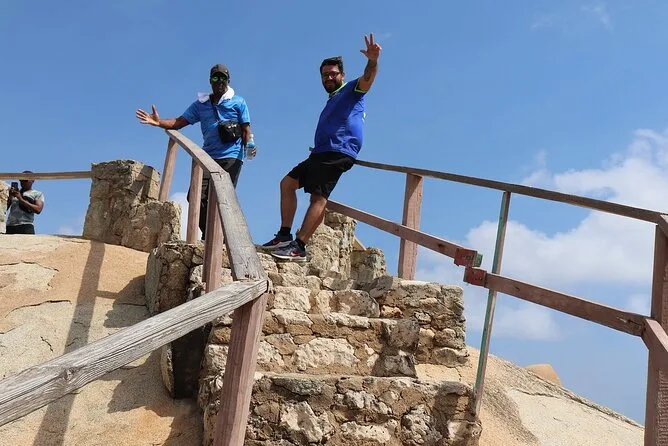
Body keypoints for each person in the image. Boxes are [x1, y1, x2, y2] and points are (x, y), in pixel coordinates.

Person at [261, 33, 382, 261]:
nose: (329, 77)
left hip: (338, 151)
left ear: (342, 75)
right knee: (287, 183)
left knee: (318, 197)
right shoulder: (333, 98)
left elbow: (368, 78)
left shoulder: (352, 90)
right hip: (321, 152)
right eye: (325, 75)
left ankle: (299, 246)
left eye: (333, 73)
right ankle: (285, 235)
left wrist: (373, 61)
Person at [135, 64, 254, 238]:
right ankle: (210, 236)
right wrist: (158, 122)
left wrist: (249, 146)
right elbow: (179, 122)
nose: (219, 81)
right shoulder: (201, 105)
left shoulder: (238, 102)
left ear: (228, 80)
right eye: (215, 78)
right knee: (195, 196)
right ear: (210, 81)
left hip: (232, 155)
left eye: (223, 78)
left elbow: (246, 129)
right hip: (208, 157)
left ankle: (220, 238)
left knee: (223, 198)